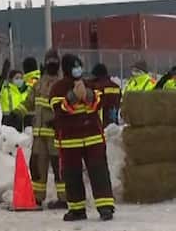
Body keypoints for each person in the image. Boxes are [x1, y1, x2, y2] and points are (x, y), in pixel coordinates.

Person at [51, 54, 116, 221]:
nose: (77, 69)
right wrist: (73, 96)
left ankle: (105, 207)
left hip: (92, 137)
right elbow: (59, 108)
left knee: (99, 171)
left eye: (79, 65)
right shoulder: (58, 88)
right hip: (69, 140)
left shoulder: (89, 84)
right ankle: (77, 209)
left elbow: (99, 101)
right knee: (72, 175)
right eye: (74, 66)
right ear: (67, 69)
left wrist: (87, 95)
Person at [30, 49, 65, 207]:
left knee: (59, 166)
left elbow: (67, 106)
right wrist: (17, 112)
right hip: (39, 134)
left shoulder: (63, 83)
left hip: (55, 133)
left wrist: (58, 120)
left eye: (54, 61)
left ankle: (64, 198)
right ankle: (37, 197)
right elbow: (29, 101)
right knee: (38, 166)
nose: (51, 64)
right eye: (49, 61)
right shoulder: (39, 83)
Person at [0, 66, 29, 131]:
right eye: (17, 78)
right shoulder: (5, 90)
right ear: (11, 79)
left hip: (23, 121)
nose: (19, 80)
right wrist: (2, 77)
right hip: (8, 120)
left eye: (21, 78)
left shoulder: (25, 90)